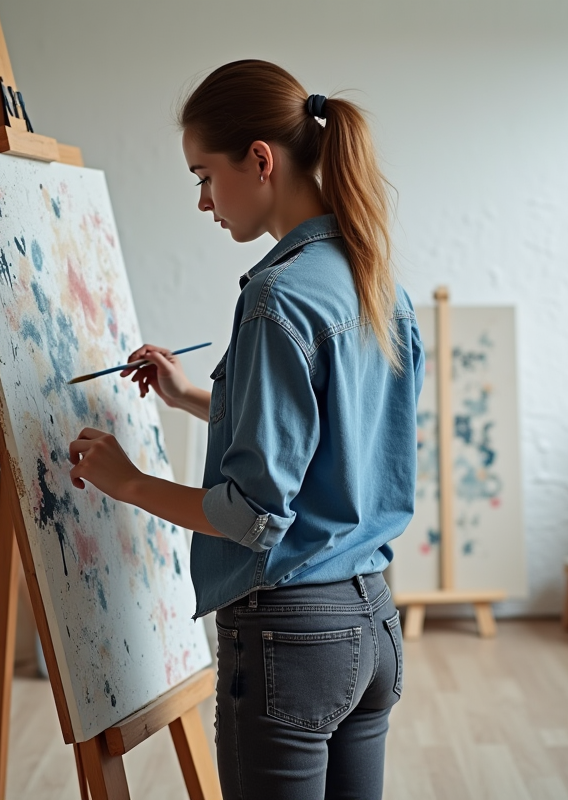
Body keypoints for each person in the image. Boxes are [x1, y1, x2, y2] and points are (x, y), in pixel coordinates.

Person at [67, 59, 424, 799]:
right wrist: (195, 396)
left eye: (203, 175)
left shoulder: (276, 297)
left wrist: (128, 483)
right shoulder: (372, 276)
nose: (202, 200)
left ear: (260, 160)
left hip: (292, 636)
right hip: (372, 623)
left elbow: (253, 514)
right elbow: (335, 441)